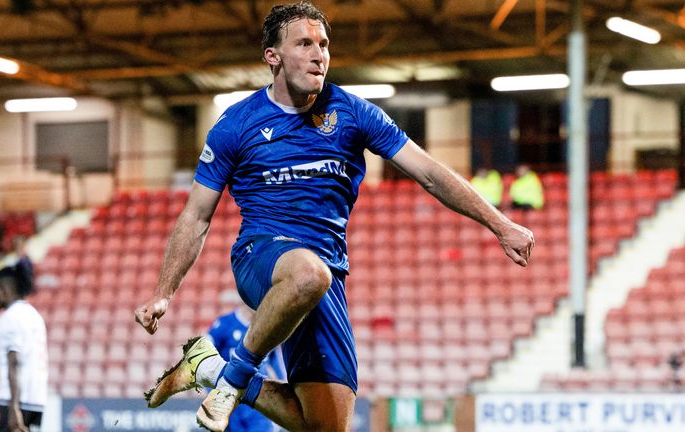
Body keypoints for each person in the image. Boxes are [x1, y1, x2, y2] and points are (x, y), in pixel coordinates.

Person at [135, 2, 535, 431]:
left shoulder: (353, 113)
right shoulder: (236, 125)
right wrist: (163, 293)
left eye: (323, 44)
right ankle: (231, 383)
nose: (318, 55)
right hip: (260, 256)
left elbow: (430, 173)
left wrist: (501, 224)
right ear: (273, 56)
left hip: (327, 274)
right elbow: (196, 216)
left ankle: (209, 369)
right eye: (304, 44)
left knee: (325, 425)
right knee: (308, 274)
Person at [205, 292, 285, 432]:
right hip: (230, 401)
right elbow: (205, 355)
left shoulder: (268, 327)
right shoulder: (225, 324)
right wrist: (210, 390)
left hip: (259, 401)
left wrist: (282, 393)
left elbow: (273, 362)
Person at [0, 262, 47, 432]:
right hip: (36, 402)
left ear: (4, 288)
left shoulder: (9, 318)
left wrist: (13, 407)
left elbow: (14, 362)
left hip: (12, 402)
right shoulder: (35, 316)